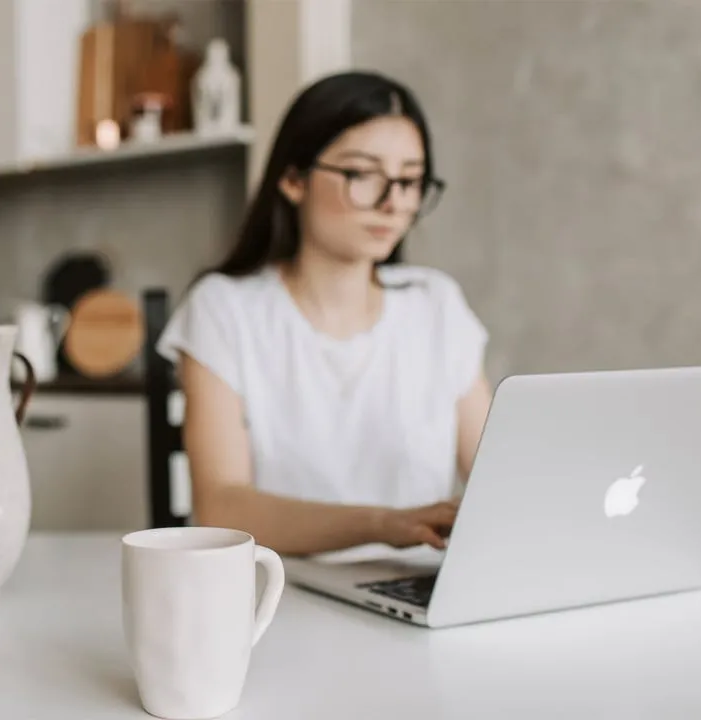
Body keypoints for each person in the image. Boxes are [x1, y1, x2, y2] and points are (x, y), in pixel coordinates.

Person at [155, 71, 493, 557]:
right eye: (362, 174)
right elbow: (222, 507)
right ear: (293, 179)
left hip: (416, 595)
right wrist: (382, 523)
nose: (393, 201)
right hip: (279, 597)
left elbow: (494, 479)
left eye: (411, 180)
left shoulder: (436, 305)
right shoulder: (224, 310)